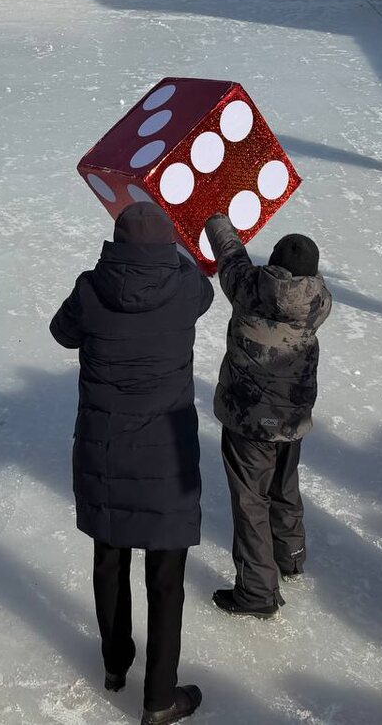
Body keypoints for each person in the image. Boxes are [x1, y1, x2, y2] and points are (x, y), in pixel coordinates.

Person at [50, 202, 213, 725]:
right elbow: (205, 287)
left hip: (104, 450)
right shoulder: (186, 287)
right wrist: (180, 254)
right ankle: (159, 699)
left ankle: (116, 665)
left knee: (109, 558)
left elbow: (61, 332)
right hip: (167, 455)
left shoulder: (90, 288)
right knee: (166, 578)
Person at [202, 214, 331, 619]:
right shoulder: (317, 302)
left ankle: (257, 592)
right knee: (284, 485)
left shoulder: (248, 287)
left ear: (272, 263)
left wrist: (215, 218)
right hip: (291, 420)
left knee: (250, 501)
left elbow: (229, 253)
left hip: (247, 421)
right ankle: (290, 556)